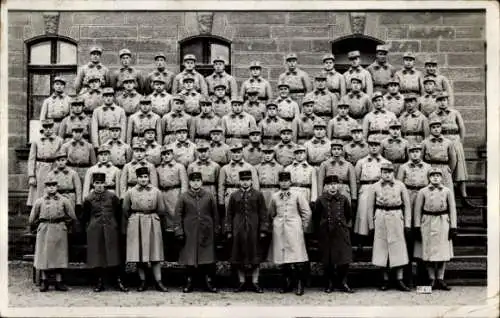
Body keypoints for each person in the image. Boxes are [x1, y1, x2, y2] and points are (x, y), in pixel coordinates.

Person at [366, 163, 411, 292]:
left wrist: (407, 224)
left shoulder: (400, 185)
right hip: (380, 217)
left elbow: (407, 206)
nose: (387, 174)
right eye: (384, 172)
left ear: (393, 173)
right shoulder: (374, 187)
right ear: (381, 173)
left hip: (396, 217)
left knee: (399, 249)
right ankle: (385, 279)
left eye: (389, 172)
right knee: (382, 249)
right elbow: (370, 207)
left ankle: (399, 279)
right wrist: (371, 225)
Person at [122, 166, 168, 292]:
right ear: (136, 178)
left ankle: (159, 281)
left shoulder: (156, 191)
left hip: (152, 221)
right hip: (136, 222)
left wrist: (156, 220)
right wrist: (133, 219)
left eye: (145, 177)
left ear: (148, 177)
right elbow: (125, 210)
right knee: (139, 253)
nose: (143, 179)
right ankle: (142, 281)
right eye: (140, 177)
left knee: (155, 253)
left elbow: (161, 210)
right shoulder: (130, 192)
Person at [81, 172, 128, 292]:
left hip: (111, 230)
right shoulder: (89, 199)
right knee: (98, 255)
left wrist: (121, 229)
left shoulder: (112, 197)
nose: (99, 186)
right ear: (93, 184)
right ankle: (99, 281)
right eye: (97, 183)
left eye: (102, 183)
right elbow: (85, 217)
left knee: (114, 254)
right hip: (95, 230)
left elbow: (119, 214)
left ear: (105, 184)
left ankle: (118, 280)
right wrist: (86, 229)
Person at [29, 177, 77, 292]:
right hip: (44, 229)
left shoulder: (64, 200)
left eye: (53, 185)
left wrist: (64, 225)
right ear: (45, 187)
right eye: (49, 186)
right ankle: (44, 281)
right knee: (44, 256)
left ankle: (59, 281)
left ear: (57, 187)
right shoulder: (39, 201)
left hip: (59, 229)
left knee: (59, 256)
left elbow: (72, 216)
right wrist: (39, 226)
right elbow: (32, 219)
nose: (51, 188)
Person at [174, 171, 220, 293]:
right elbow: (178, 215)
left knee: (207, 256)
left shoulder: (209, 196)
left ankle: (208, 281)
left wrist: (216, 229)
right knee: (190, 256)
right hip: (190, 231)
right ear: (189, 182)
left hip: (206, 231)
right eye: (193, 181)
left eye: (198, 181)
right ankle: (189, 281)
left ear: (201, 182)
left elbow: (215, 214)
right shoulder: (184, 196)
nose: (195, 183)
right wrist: (179, 231)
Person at [268, 171, 312, 296]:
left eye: (286, 181)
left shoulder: (298, 195)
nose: (284, 183)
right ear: (278, 182)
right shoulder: (275, 196)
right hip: (280, 229)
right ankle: (286, 283)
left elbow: (306, 212)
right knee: (283, 257)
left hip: (294, 228)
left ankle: (299, 284)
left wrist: (303, 226)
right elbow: (270, 213)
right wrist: (276, 222)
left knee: (297, 257)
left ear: (290, 182)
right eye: (281, 181)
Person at [225, 170, 269, 293]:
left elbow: (263, 213)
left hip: (253, 229)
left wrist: (263, 229)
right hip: (238, 229)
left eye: (247, 180)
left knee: (255, 255)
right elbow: (229, 214)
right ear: (239, 181)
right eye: (243, 180)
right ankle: (241, 281)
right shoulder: (234, 196)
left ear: (251, 181)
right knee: (239, 255)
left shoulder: (258, 195)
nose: (245, 183)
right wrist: (229, 230)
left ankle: (255, 282)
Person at [414, 168, 457, 291]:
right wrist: (417, 226)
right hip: (428, 222)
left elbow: (452, 209)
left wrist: (453, 226)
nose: (435, 178)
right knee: (429, 252)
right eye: (432, 176)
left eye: (438, 175)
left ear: (441, 177)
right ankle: (432, 278)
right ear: (429, 178)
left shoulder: (447, 191)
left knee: (443, 252)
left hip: (443, 221)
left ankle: (441, 278)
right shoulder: (423, 192)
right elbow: (418, 210)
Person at [397, 143, 431, 287]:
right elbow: (399, 186)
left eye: (417, 151)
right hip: (408, 197)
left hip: (423, 198)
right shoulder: (403, 167)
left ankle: (423, 278)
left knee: (422, 239)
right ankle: (407, 277)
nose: (415, 154)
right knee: (408, 240)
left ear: (421, 153)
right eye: (412, 152)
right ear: (409, 153)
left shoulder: (428, 167)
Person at [314, 175, 354, 293]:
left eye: (335, 184)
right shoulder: (320, 200)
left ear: (338, 186)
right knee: (328, 259)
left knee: (344, 258)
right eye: (329, 185)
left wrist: (343, 226)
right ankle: (329, 283)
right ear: (325, 186)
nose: (332, 187)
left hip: (341, 232)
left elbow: (348, 214)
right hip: (326, 233)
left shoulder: (343, 199)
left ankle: (343, 282)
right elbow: (316, 216)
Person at [429, 92, 468, 198]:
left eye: (444, 100)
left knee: (459, 166)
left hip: (455, 140)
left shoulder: (455, 113)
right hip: (442, 142)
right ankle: (443, 189)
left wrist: (460, 141)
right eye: (440, 100)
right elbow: (432, 129)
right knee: (445, 165)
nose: (442, 102)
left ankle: (463, 192)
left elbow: (462, 127)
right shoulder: (433, 115)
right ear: (437, 102)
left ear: (447, 101)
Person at [353, 136, 391, 240]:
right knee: (364, 213)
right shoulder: (361, 162)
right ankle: (362, 238)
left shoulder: (386, 162)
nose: (374, 147)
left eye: (376, 145)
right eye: (371, 145)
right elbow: (356, 179)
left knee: (378, 212)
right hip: (366, 188)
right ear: (368, 147)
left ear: (380, 147)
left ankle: (378, 237)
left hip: (380, 188)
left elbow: (390, 179)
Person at [156, 144, 188, 247]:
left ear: (172, 154)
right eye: (164, 154)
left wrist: (182, 197)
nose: (166, 156)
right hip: (163, 194)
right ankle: (167, 247)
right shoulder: (158, 168)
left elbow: (184, 183)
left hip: (175, 194)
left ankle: (178, 245)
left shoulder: (179, 167)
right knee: (164, 219)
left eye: (168, 154)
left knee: (176, 218)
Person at [27, 119, 64, 207]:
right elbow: (32, 159)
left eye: (50, 127)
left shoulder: (59, 141)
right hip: (40, 169)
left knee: (53, 191)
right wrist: (31, 176)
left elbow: (62, 157)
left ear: (53, 128)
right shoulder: (36, 141)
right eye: (45, 127)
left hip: (54, 168)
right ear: (42, 128)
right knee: (39, 194)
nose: (48, 129)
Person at [218, 143, 260, 218]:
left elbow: (255, 185)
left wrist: (255, 199)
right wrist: (221, 202)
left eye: (238, 152)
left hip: (245, 194)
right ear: (231, 153)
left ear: (242, 152)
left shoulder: (249, 167)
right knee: (230, 217)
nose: (236, 155)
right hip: (230, 194)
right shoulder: (224, 168)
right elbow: (221, 186)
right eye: (234, 152)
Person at [421, 117, 457, 197]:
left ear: (441, 128)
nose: (436, 129)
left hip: (443, 168)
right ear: (430, 129)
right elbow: (421, 158)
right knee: (430, 191)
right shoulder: (425, 142)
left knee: (446, 191)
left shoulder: (448, 142)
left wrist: (449, 169)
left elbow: (453, 158)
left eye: (438, 127)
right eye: (433, 127)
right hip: (430, 168)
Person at [317, 140, 357, 204]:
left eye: (338, 149)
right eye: (334, 149)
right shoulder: (325, 164)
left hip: (344, 190)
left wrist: (354, 198)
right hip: (329, 190)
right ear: (331, 151)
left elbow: (353, 183)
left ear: (342, 151)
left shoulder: (348, 165)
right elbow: (320, 182)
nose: (336, 151)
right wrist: (320, 196)